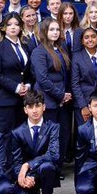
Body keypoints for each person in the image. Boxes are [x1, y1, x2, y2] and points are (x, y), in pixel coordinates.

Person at [6, 90, 61, 194]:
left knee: (47, 167)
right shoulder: (17, 132)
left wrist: (28, 165)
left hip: (46, 171)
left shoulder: (53, 127)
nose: (34, 110)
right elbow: (17, 161)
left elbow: (54, 154)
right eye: (30, 107)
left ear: (44, 107)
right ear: (25, 110)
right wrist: (23, 177)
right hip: (28, 175)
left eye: (37, 106)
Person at [30, 19, 73, 165]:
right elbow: (43, 79)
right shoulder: (39, 51)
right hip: (48, 100)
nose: (55, 33)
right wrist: (60, 95)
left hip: (63, 101)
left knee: (63, 134)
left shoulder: (61, 48)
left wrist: (66, 94)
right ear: (44, 32)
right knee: (49, 136)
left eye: (57, 29)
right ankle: (48, 166)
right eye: (51, 30)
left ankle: (58, 165)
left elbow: (66, 75)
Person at [0, 13, 32, 133]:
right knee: (6, 137)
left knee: (20, 137)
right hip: (4, 100)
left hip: (22, 100)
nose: (13, 27)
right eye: (9, 24)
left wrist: (27, 85)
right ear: (3, 27)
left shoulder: (25, 47)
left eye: (17, 24)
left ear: (21, 27)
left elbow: (27, 71)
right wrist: (16, 87)